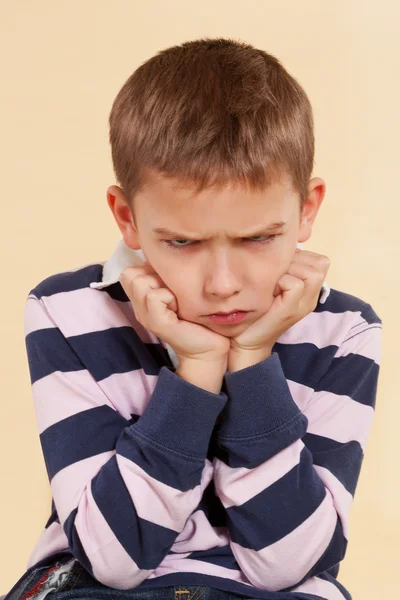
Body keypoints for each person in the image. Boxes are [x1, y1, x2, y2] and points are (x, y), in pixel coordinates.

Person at [4, 37, 382, 600]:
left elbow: (289, 564)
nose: (222, 283)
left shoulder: (343, 332)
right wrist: (199, 370)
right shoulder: (67, 313)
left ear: (307, 209)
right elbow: (114, 559)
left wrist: (251, 364)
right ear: (127, 218)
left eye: (259, 238)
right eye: (182, 241)